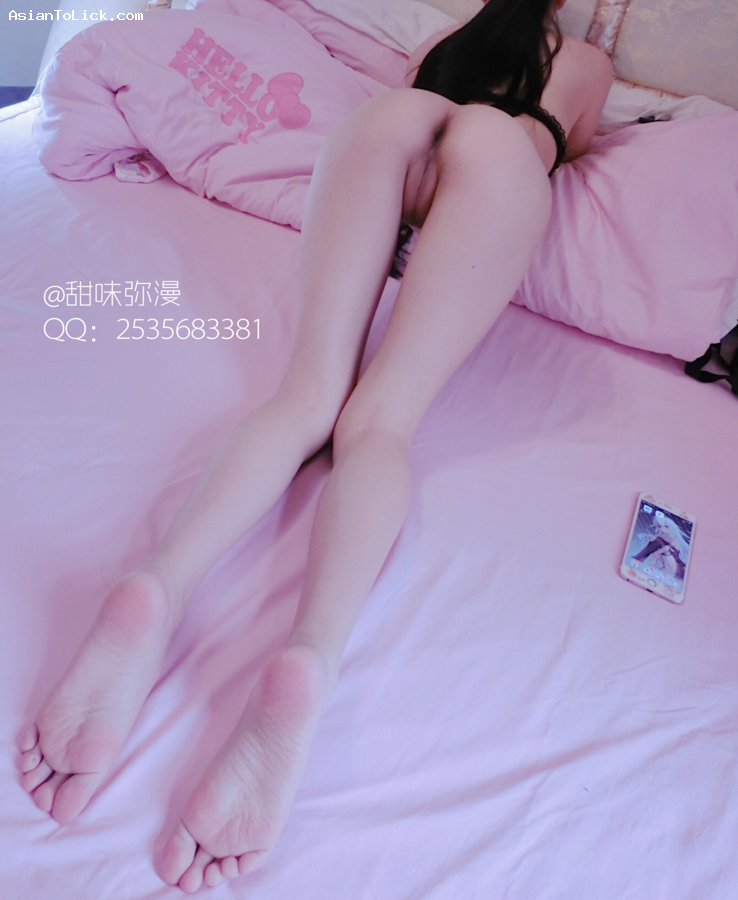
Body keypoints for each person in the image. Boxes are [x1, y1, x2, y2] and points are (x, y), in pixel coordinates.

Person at [17, 0, 613, 891]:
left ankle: (162, 582)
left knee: (304, 395)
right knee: (379, 424)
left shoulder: (442, 43)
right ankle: (310, 654)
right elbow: (581, 148)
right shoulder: (589, 65)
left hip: (389, 126)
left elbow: (421, 88)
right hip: (504, 158)